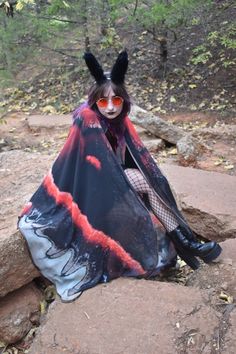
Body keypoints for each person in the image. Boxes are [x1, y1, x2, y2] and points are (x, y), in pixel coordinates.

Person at [18, 50, 221, 302]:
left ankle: (186, 242)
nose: (111, 107)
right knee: (140, 180)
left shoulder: (119, 120)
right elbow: (94, 169)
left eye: (117, 100)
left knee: (149, 182)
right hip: (87, 195)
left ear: (124, 100)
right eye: (104, 102)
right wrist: (126, 179)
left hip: (109, 188)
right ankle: (186, 243)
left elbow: (132, 158)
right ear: (95, 102)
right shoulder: (88, 119)